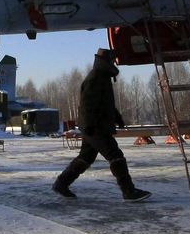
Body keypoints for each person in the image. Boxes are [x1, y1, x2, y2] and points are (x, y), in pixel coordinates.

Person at [51, 49, 152, 202]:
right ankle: (128, 191)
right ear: (107, 61)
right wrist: (90, 125)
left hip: (94, 126)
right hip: (95, 127)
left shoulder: (102, 77)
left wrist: (117, 117)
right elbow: (87, 105)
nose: (114, 63)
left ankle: (61, 183)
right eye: (113, 60)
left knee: (85, 157)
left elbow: (105, 103)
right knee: (115, 155)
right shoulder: (96, 78)